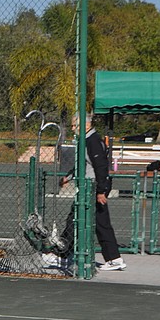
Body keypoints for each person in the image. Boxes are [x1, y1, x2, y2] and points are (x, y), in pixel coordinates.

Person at [44, 113, 126, 271]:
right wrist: (69, 177)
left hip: (93, 188)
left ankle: (64, 254)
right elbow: (82, 164)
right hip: (89, 187)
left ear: (86, 125)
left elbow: (101, 167)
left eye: (76, 125)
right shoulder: (86, 141)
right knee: (87, 221)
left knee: (82, 220)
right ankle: (111, 258)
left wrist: (101, 191)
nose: (73, 129)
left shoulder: (93, 141)